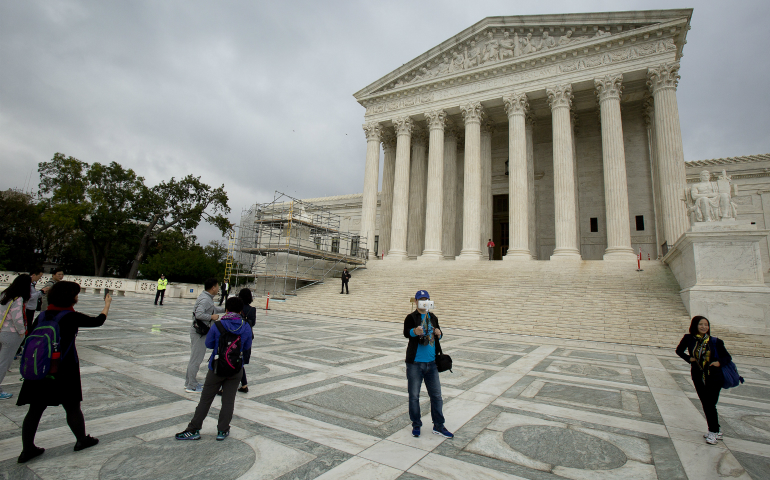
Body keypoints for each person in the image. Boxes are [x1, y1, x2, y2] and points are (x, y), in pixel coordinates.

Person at [16, 281, 111, 463]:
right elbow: (98, 321)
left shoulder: (43, 316)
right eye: (76, 294)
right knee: (72, 407)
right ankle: (81, 440)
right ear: (70, 297)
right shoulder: (70, 316)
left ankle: (27, 449)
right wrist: (107, 304)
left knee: (35, 410)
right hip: (63, 369)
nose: (77, 297)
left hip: (40, 368)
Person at [175, 297, 253, 441]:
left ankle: (194, 429)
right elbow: (247, 346)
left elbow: (209, 344)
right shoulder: (246, 326)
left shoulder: (218, 325)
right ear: (241, 310)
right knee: (228, 401)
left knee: (205, 400)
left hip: (216, 367)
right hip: (236, 369)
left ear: (227, 309)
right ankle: (223, 430)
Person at [403, 290, 453, 439]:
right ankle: (416, 425)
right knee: (414, 396)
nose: (423, 302)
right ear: (416, 301)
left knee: (436, 396)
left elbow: (439, 334)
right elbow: (406, 332)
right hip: (415, 364)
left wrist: (439, 333)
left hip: (431, 364)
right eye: (421, 299)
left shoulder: (432, 317)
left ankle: (438, 425)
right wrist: (414, 331)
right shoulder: (411, 317)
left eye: (426, 299)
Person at [676, 316, 732, 445]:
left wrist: (718, 363)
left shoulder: (715, 341)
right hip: (698, 375)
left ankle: (713, 431)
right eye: (701, 324)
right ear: (695, 325)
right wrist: (689, 358)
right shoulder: (688, 338)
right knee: (706, 403)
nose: (703, 327)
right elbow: (679, 350)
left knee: (710, 403)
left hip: (714, 376)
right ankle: (716, 430)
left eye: (706, 325)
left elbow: (727, 357)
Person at [185, 278, 225, 393]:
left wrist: (224, 310)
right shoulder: (205, 299)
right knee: (196, 359)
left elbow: (212, 309)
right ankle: (191, 385)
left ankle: (189, 382)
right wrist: (211, 318)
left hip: (199, 332)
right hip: (199, 333)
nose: (218, 288)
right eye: (217, 286)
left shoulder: (206, 298)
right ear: (213, 287)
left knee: (194, 358)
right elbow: (199, 314)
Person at [0, 275, 31, 399]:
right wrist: (22, 331)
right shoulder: (18, 299)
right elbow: (17, 317)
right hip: (12, 334)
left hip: (1, 330)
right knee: (3, 363)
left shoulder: (4, 294)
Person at [237, 288, 256, 393]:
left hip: (235, 335)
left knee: (233, 358)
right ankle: (244, 385)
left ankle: (224, 387)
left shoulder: (237, 307)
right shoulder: (252, 309)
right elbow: (252, 323)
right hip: (247, 336)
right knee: (241, 360)